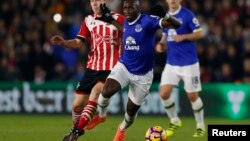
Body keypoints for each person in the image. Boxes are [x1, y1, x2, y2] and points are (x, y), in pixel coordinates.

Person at [94, 0, 181, 141]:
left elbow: (177, 25)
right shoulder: (127, 20)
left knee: (130, 113)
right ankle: (102, 116)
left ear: (138, 8)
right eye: (125, 8)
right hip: (124, 66)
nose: (127, 11)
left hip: (143, 74)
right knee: (106, 91)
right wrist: (110, 20)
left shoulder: (148, 21)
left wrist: (165, 15)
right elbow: (125, 28)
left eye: (130, 8)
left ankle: (121, 129)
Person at [50, 0, 124, 141]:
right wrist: (64, 42)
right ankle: (77, 129)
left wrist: (122, 41)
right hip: (92, 69)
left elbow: (133, 34)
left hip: (112, 69)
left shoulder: (118, 18)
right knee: (77, 105)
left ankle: (75, 133)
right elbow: (78, 42)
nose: (95, 3)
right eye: (92, 1)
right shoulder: (88, 20)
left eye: (98, 0)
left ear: (106, 1)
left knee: (95, 93)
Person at [155, 0, 205, 138]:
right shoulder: (165, 16)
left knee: (192, 96)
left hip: (189, 63)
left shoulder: (187, 15)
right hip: (171, 63)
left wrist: (183, 36)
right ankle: (175, 121)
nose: (172, 0)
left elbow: (199, 33)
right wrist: (161, 44)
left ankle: (200, 126)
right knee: (164, 93)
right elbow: (166, 34)